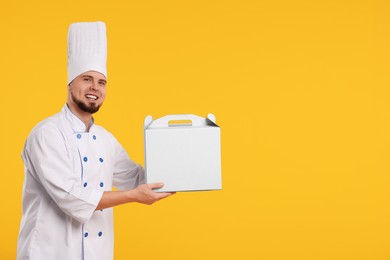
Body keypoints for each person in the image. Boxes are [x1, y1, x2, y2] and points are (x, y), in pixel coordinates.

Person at [17, 21, 174, 260]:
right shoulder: (47, 134)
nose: (95, 88)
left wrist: (182, 166)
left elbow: (136, 179)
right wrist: (134, 196)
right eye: (86, 79)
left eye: (101, 82)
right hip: (49, 252)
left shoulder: (105, 139)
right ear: (70, 83)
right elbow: (72, 198)